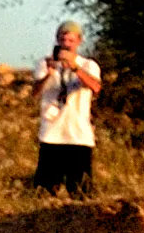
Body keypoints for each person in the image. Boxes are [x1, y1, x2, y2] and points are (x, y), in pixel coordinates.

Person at [31, 22, 103, 194]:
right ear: (57, 40)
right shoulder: (45, 63)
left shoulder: (88, 65)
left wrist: (75, 68)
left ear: (79, 41)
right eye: (63, 40)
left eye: (71, 40)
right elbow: (34, 92)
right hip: (51, 132)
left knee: (80, 189)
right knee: (45, 189)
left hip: (78, 134)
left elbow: (96, 87)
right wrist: (48, 74)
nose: (66, 44)